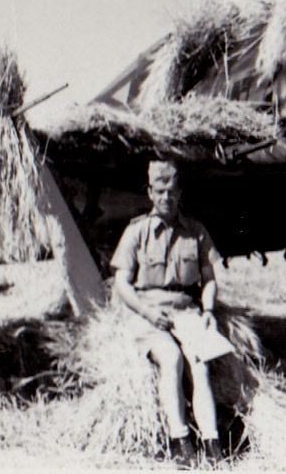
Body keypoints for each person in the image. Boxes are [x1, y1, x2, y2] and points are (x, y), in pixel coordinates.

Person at [111, 159, 224, 467]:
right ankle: (181, 440)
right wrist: (147, 312)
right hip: (148, 314)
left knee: (199, 366)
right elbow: (122, 283)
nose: (166, 198)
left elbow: (210, 278)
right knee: (171, 358)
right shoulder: (136, 231)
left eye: (171, 191)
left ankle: (212, 442)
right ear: (150, 193)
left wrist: (209, 310)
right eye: (160, 191)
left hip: (186, 312)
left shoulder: (196, 232)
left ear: (180, 193)